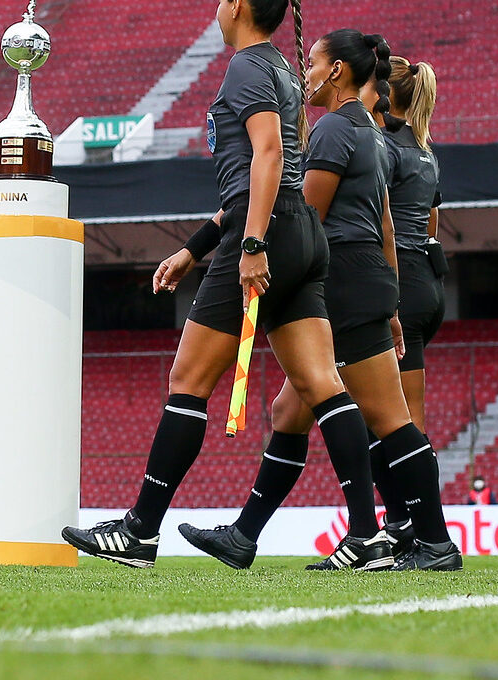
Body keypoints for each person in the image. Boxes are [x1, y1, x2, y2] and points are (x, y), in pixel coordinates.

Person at [62, 0, 391, 571]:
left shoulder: (246, 66)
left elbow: (266, 157)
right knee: (323, 386)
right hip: (301, 234)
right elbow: (265, 170)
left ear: (237, 4)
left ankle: (139, 532)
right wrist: (194, 247)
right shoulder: (283, 72)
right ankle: (369, 535)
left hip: (265, 232)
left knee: (188, 382)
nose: (215, 9)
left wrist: (250, 245)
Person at [180, 30, 460, 572]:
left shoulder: (333, 129)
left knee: (391, 420)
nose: (304, 72)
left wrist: (253, 262)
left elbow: (300, 214)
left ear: (337, 73)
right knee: (289, 410)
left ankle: (427, 541)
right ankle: (244, 535)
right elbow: (383, 224)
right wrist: (393, 300)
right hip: (369, 275)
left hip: (346, 280)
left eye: (312, 63)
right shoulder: (375, 135)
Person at [383, 57, 444, 443]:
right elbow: (431, 221)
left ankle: (413, 503)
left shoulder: (386, 148)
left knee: (393, 419)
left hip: (400, 282)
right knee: (410, 414)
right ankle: (412, 501)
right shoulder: (425, 150)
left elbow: (382, 221)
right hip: (426, 281)